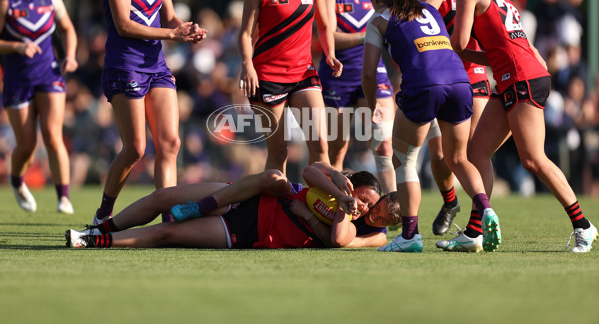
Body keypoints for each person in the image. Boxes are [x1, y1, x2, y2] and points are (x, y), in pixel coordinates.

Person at [446, 0, 597, 253]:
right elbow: (512, 42)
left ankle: (584, 226)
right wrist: (491, 59)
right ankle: (475, 232)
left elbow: (459, 44)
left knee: (533, 159)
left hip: (519, 77)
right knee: (477, 153)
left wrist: (448, 50)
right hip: (521, 74)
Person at [362, 0, 501, 253]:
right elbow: (441, 2)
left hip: (424, 85)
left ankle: (410, 236)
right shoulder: (428, 9)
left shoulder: (379, 19)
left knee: (404, 160)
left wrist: (372, 102)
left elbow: (367, 73)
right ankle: (486, 209)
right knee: (459, 158)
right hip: (461, 83)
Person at [93, 0, 206, 225]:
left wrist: (186, 29)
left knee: (171, 142)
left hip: (156, 66)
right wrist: (172, 35)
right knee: (135, 149)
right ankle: (104, 212)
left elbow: (168, 15)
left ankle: (169, 218)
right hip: (124, 66)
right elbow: (124, 26)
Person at [66, 162, 402, 249]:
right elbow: (310, 171)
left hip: (256, 230)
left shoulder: (374, 233)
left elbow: (340, 240)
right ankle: (102, 226)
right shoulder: (342, 187)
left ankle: (91, 240)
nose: (369, 211)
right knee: (163, 196)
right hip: (253, 197)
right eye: (368, 201)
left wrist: (343, 209)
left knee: (166, 233)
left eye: (378, 215)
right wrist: (339, 190)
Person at [237, 0, 342, 174]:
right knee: (279, 150)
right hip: (267, 77)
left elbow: (325, 25)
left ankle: (320, 208)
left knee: (319, 144)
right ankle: (275, 210)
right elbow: (244, 33)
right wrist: (247, 64)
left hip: (303, 73)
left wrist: (330, 53)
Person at [410, 0, 491, 236]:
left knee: (471, 153)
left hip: (474, 75)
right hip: (439, 79)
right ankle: (450, 201)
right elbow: (418, 17)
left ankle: (478, 222)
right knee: (440, 156)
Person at [0, 0, 78, 214]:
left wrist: (70, 55)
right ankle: (17, 181)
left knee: (53, 135)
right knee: (27, 145)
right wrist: (16, 47)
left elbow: (67, 28)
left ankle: (64, 197)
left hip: (49, 75)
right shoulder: (6, 3)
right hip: (17, 81)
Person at [316, 0, 395, 194]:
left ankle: (395, 208)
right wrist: (368, 35)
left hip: (374, 72)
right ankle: (335, 204)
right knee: (337, 149)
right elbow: (329, 37)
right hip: (338, 75)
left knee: (384, 143)